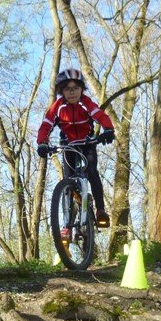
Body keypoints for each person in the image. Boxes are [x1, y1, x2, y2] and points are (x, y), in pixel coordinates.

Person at [36, 68, 115, 231]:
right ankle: (68, 222)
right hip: (68, 145)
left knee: (92, 172)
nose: (72, 92)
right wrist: (42, 143)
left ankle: (100, 210)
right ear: (62, 91)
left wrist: (108, 129)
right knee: (67, 180)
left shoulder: (86, 103)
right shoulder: (57, 107)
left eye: (75, 88)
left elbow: (100, 115)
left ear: (81, 89)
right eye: (67, 89)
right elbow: (46, 125)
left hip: (87, 144)